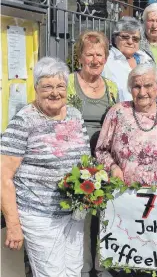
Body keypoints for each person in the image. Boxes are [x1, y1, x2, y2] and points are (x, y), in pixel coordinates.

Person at [1, 57, 90, 276]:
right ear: (36, 88)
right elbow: (3, 176)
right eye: (47, 86)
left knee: (74, 271)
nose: (55, 92)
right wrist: (13, 225)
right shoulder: (24, 121)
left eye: (60, 86)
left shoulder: (75, 115)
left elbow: (86, 160)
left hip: (74, 214)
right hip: (40, 215)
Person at [67, 31, 118, 277]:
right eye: (90, 54)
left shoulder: (111, 88)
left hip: (103, 162)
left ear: (106, 57)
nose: (95, 60)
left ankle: (102, 266)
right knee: (80, 219)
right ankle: (82, 268)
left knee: (104, 215)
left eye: (100, 54)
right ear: (80, 56)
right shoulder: (67, 83)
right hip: (73, 162)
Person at [95, 64, 157, 187]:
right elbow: (101, 150)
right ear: (130, 89)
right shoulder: (117, 112)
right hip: (122, 192)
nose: (142, 92)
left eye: (148, 86)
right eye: (136, 86)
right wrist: (113, 168)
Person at [103, 17, 153, 101]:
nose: (130, 42)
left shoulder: (145, 59)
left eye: (135, 39)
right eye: (125, 37)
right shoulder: (106, 60)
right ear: (115, 39)